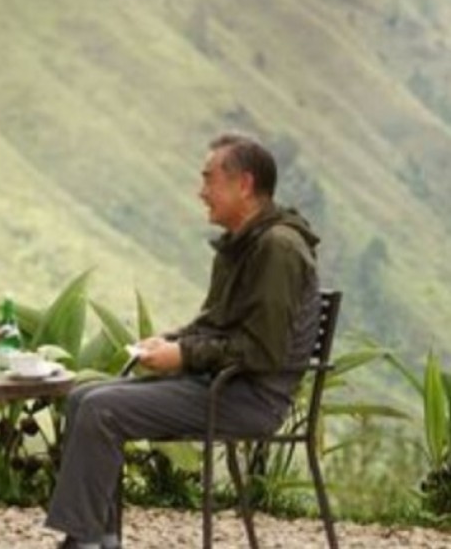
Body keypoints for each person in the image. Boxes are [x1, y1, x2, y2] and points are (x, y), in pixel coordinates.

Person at [46, 134, 321, 549]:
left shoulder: (277, 248)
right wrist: (171, 341)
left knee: (102, 410)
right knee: (83, 397)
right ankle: (100, 538)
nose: (201, 192)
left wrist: (183, 355)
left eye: (210, 180)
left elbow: (263, 351)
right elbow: (215, 325)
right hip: (223, 384)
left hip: (250, 397)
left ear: (244, 185)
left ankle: (83, 543)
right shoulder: (245, 244)